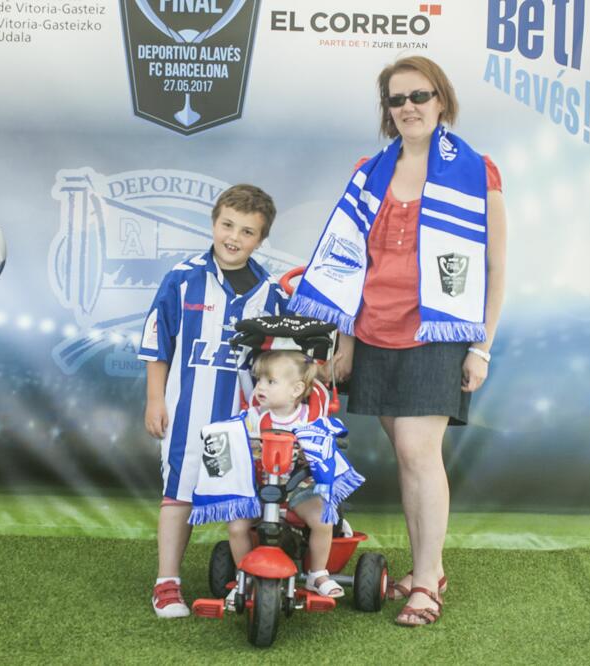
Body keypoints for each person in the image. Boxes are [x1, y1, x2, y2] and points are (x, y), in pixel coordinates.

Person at [289, 56, 508, 626]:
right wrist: (345, 339)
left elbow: (496, 267)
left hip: (437, 332)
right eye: (396, 99)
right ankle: (425, 568)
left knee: (418, 453)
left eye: (419, 95)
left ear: (442, 100)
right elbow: (347, 262)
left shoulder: (477, 171)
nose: (408, 107)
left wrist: (481, 346)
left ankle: (427, 583)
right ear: (387, 110)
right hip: (373, 332)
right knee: (408, 457)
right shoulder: (370, 170)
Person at [138, 184, 289, 618]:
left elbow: (275, 360)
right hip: (189, 413)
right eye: (227, 225)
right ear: (213, 222)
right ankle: (167, 583)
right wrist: (154, 400)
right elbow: (156, 343)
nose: (233, 237)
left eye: (247, 231)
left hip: (243, 421)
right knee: (178, 495)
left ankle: (250, 586)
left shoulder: (269, 293)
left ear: (260, 239)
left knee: (243, 508)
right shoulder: (183, 278)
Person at [236, 350, 345, 599]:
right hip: (261, 487)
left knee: (323, 521)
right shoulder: (254, 418)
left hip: (298, 487)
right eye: (259, 380)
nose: (260, 387)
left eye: (270, 382)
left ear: (296, 390)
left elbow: (325, 446)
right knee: (236, 526)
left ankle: (317, 574)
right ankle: (242, 575)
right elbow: (237, 440)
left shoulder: (310, 419)